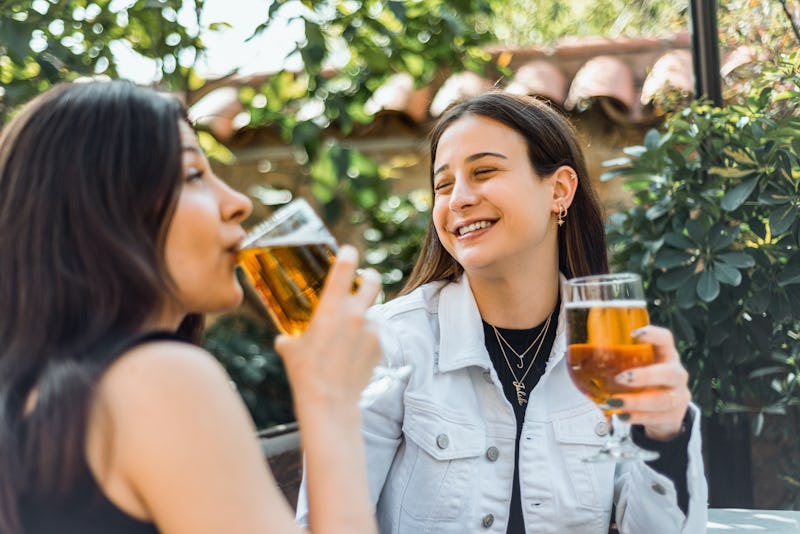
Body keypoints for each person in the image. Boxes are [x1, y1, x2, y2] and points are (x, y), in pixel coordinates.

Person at [296, 91, 708, 533]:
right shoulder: (393, 344)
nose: (458, 199)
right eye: (443, 185)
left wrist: (664, 434)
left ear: (559, 190)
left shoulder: (610, 343)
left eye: (484, 171)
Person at [0, 80, 382, 534]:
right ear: (103, 209)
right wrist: (331, 400)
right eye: (194, 175)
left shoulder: (34, 398)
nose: (237, 203)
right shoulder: (160, 378)